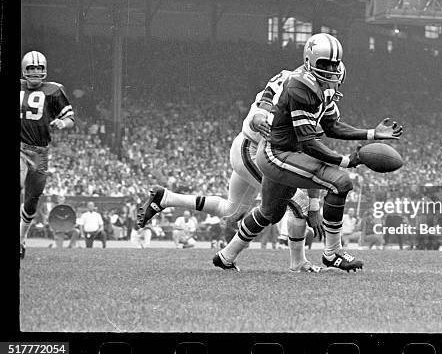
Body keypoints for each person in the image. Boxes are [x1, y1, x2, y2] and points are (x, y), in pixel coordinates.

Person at [214, 33, 403, 272]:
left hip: (283, 152)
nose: (332, 71)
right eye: (325, 64)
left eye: (335, 65)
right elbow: (310, 144)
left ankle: (226, 255)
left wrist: (371, 134)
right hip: (276, 153)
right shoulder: (300, 88)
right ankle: (332, 253)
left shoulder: (322, 90)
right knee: (340, 182)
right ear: (309, 61)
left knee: (270, 212)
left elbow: (332, 127)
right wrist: (346, 161)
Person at [138, 67, 334, 272]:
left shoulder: (306, 91)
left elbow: (309, 154)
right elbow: (265, 101)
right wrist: (313, 206)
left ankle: (166, 198)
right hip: (254, 150)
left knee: (232, 211)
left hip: (254, 148)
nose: (331, 81)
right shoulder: (295, 85)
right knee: (299, 202)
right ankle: (298, 263)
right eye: (328, 72)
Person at [20, 51, 75, 259]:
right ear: (25, 69)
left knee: (32, 201)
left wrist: (62, 123)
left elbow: (70, 118)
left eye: (38, 68)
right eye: (31, 68)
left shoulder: (54, 90)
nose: (35, 72)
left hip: (38, 151)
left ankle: (21, 240)